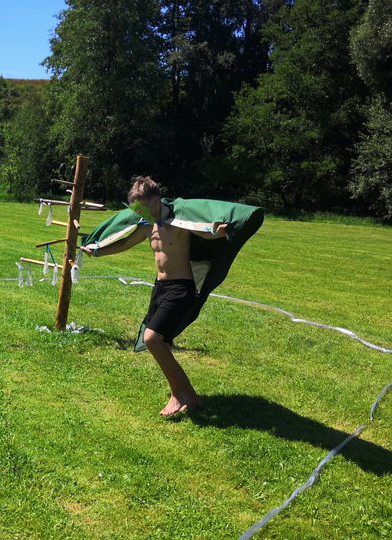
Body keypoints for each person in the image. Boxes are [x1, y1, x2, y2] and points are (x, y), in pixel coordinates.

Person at [81, 176, 263, 419]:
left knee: (152, 339)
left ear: (155, 200)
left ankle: (178, 395)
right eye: (135, 209)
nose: (139, 212)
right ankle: (192, 398)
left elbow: (203, 231)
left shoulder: (179, 222)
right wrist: (98, 252)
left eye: (142, 207)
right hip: (160, 288)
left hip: (181, 288)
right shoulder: (146, 225)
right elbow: (125, 243)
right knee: (161, 343)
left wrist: (218, 231)